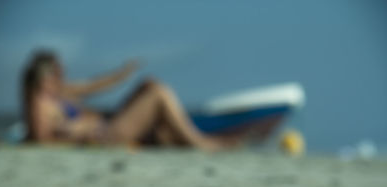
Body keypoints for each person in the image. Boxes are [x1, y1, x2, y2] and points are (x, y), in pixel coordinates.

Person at [21, 50, 237, 151]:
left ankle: (200, 140)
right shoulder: (39, 102)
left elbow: (93, 86)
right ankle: (199, 142)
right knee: (158, 93)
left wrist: (122, 74)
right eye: (56, 72)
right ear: (42, 75)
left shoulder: (59, 91)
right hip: (104, 134)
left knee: (149, 84)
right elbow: (41, 140)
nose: (61, 76)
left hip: (107, 123)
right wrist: (79, 132)